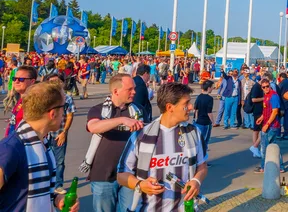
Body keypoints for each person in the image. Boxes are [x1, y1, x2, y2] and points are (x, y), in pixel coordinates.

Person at [117, 82, 209, 211]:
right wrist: (140, 184)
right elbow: (121, 174)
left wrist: (196, 181)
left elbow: (202, 165)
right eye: (186, 103)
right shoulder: (141, 135)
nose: (191, 107)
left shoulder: (193, 132)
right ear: (170, 107)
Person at [0, 81, 80, 212]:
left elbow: (33, 189)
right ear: (53, 113)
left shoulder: (42, 143)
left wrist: (56, 198)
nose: (64, 113)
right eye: (63, 107)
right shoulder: (11, 148)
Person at [83, 74, 144, 212]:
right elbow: (93, 127)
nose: (134, 92)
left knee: (130, 209)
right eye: (130, 89)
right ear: (116, 91)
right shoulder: (98, 110)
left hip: (131, 173)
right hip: (103, 174)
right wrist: (122, 120)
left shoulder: (139, 110)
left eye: (134, 88)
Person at [45, 72, 76, 195]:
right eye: (51, 82)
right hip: (44, 135)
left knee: (59, 161)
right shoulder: (44, 97)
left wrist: (64, 132)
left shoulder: (67, 98)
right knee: (44, 160)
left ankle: (58, 185)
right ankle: (46, 184)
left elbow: (70, 115)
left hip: (59, 133)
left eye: (57, 82)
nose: (54, 84)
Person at [254, 78, 284, 174]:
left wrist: (266, 124)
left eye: (267, 86)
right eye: (264, 87)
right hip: (268, 123)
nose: (266, 88)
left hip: (271, 125)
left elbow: (275, 112)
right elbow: (267, 110)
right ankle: (280, 167)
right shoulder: (266, 96)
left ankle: (263, 167)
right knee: (273, 146)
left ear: (270, 86)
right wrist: (262, 118)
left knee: (264, 147)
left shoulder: (273, 96)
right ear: (261, 88)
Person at [4, 65, 37, 137]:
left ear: (32, 81)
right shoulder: (21, 98)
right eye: (14, 78)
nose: (16, 81)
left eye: (21, 79)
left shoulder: (33, 102)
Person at [194, 80, 215, 144]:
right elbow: (209, 112)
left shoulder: (199, 97)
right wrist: (213, 122)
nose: (212, 89)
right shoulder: (210, 98)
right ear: (208, 88)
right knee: (205, 140)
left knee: (198, 139)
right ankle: (203, 153)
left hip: (198, 121)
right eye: (212, 87)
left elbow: (196, 109)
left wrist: (196, 119)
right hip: (206, 122)